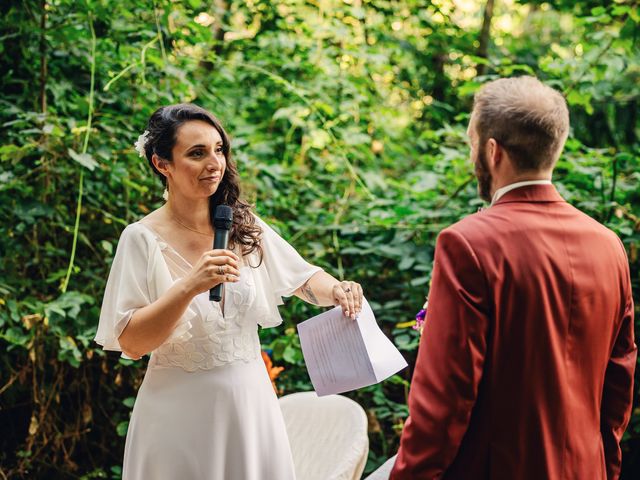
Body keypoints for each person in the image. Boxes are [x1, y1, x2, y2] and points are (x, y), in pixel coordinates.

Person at [383, 76, 636, 479]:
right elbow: (618, 383)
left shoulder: (467, 244)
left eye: (472, 146)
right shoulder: (609, 246)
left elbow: (443, 404)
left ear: (492, 151)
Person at [94, 103, 364, 480]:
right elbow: (134, 342)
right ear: (162, 164)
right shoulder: (140, 239)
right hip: (178, 419)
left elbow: (303, 278)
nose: (214, 163)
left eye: (219, 149)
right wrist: (190, 286)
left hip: (250, 409)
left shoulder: (241, 225)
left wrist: (338, 289)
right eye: (197, 153)